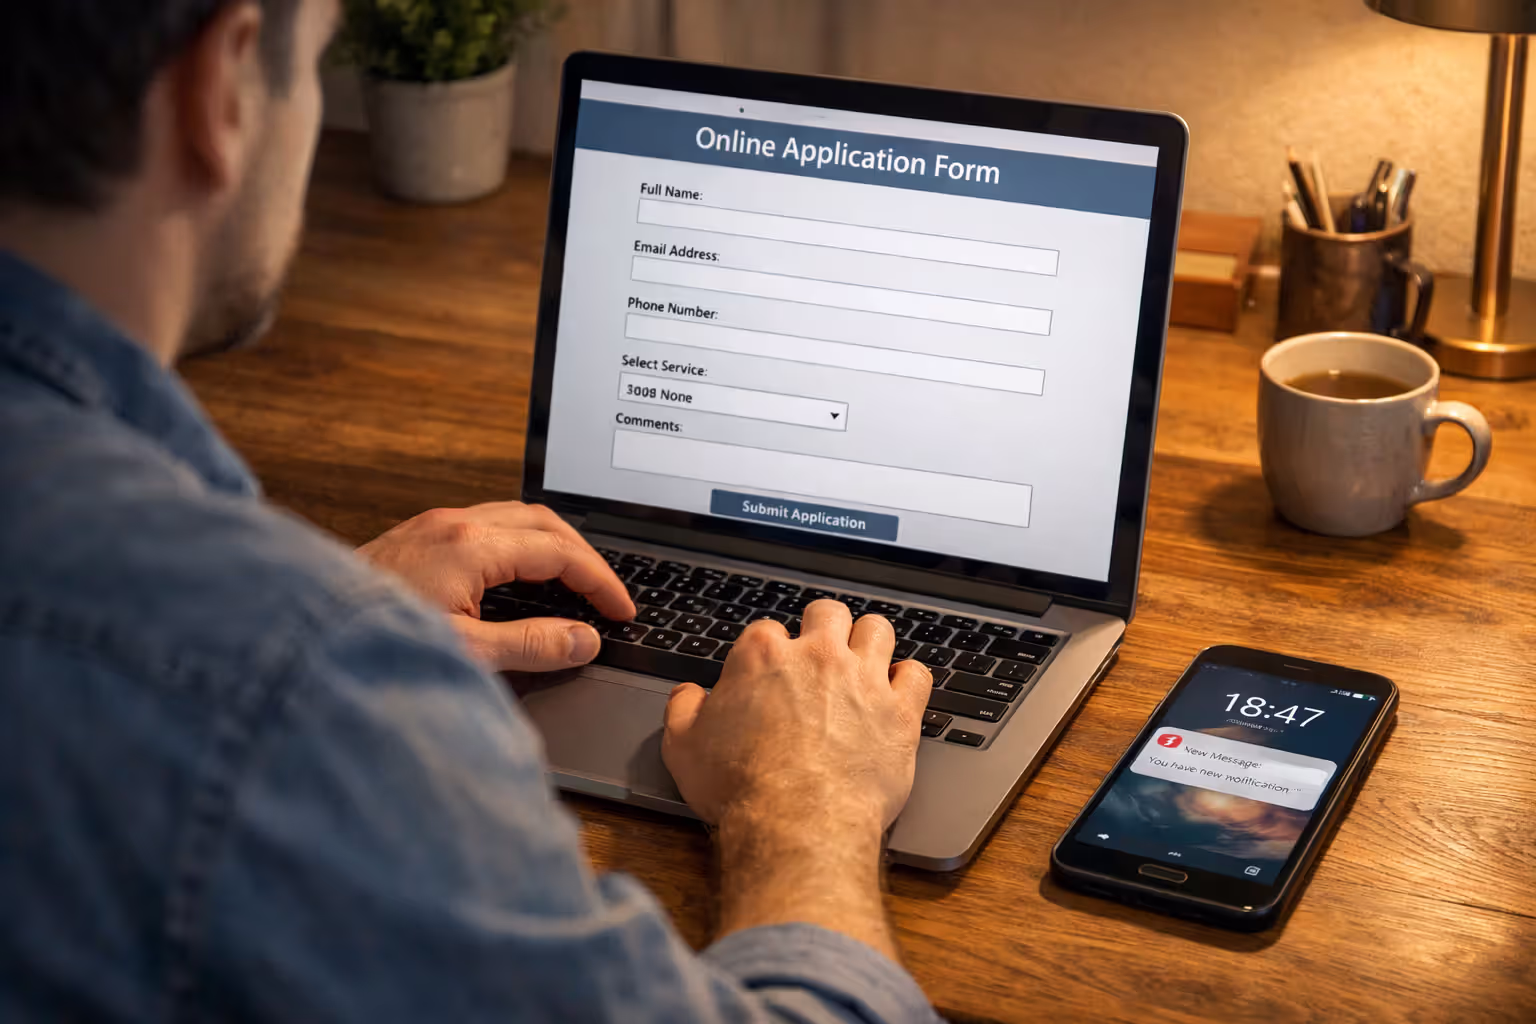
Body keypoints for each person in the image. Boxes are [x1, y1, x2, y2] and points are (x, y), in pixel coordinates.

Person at [0, 2, 942, 1020]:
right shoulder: (282, 689)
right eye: (316, 65)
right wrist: (809, 803)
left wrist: (312, 618)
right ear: (218, 85)